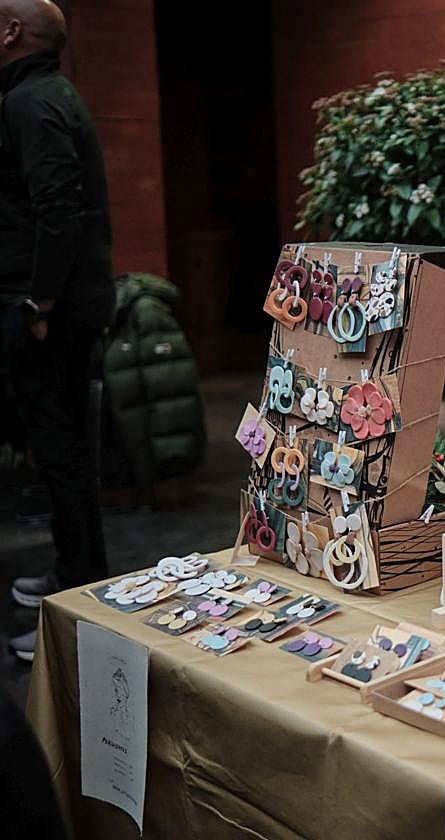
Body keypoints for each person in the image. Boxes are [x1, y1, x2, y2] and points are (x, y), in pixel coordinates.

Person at [0, 0, 113, 661]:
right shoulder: (45, 93)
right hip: (62, 306)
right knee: (60, 453)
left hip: (53, 313)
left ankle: (76, 607)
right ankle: (73, 578)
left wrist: (37, 304)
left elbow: (57, 210)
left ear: (12, 31)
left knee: (62, 455)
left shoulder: (32, 101)